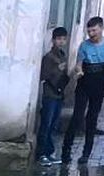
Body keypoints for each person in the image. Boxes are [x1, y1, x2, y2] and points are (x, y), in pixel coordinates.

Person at [62, 16, 104, 166]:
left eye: (94, 30)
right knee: (77, 116)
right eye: (89, 30)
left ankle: (86, 153)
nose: (91, 33)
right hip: (85, 81)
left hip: (100, 82)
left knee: (92, 118)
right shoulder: (84, 45)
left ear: (101, 28)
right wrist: (79, 70)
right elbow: (79, 63)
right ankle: (66, 151)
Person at [37, 27, 71, 165]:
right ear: (53, 40)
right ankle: (41, 154)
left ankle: (49, 152)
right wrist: (57, 69)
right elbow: (43, 76)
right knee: (46, 124)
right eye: (58, 39)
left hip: (58, 94)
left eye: (63, 39)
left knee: (53, 125)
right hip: (49, 95)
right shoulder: (49, 57)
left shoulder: (62, 55)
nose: (61, 42)